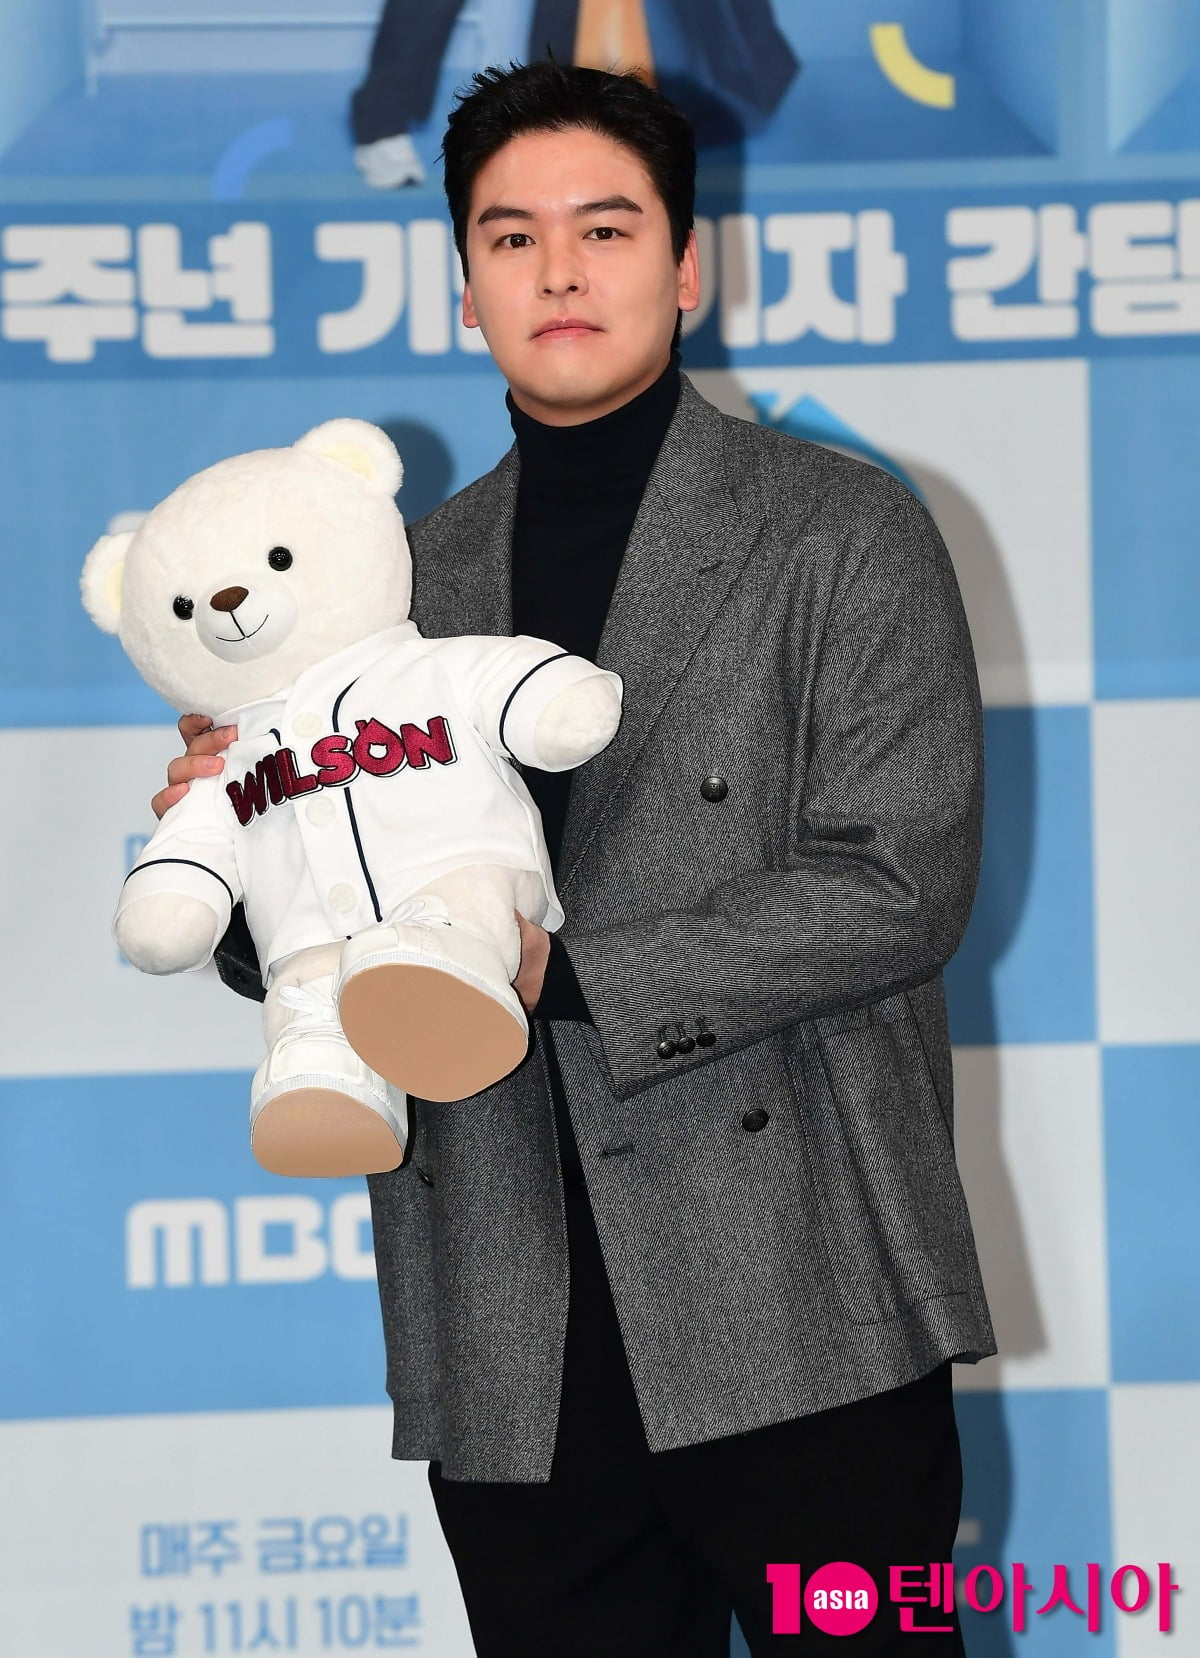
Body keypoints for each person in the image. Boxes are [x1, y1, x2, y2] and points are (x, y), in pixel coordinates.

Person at [157, 60, 996, 1656]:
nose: (558, 269)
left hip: (801, 1288)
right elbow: (320, 911)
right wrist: (249, 832)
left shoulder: (842, 529)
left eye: (605, 229)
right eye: (511, 235)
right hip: (512, 1307)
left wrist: (571, 973)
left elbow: (898, 883)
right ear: (462, 286)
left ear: (686, 267)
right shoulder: (384, 586)